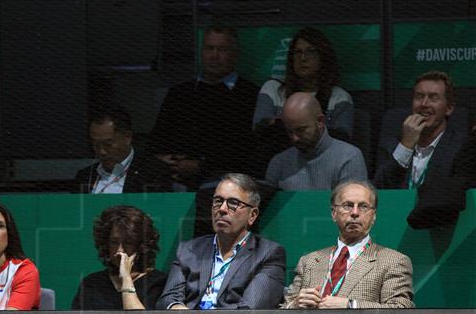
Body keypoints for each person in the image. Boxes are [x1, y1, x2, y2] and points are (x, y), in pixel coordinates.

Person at [147, 26, 261, 189]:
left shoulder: (250, 95)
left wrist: (201, 165)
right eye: (209, 48)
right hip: (176, 184)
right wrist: (167, 161)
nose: (214, 56)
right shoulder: (179, 93)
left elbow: (248, 149)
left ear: (235, 54)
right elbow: (156, 142)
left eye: (222, 49)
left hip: (230, 186)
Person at [156, 173, 286, 310]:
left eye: (233, 203)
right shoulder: (189, 249)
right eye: (218, 201)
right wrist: (176, 307)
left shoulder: (268, 253)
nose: (222, 209)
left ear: (252, 215)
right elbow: (167, 299)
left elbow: (250, 310)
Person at [282, 180, 414, 309]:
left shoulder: (393, 262)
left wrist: (350, 305)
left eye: (363, 206)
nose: (355, 213)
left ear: (373, 216)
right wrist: (294, 305)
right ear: (334, 213)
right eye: (348, 206)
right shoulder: (309, 262)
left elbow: (401, 309)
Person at [253, 26, 354, 160]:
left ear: (323, 56)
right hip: (275, 162)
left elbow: (341, 140)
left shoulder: (339, 97)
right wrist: (311, 130)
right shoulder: (273, 89)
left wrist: (279, 125)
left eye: (310, 51)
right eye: (297, 52)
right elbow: (260, 130)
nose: (303, 58)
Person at [374, 71, 467, 191]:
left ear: (448, 108)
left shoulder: (461, 148)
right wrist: (405, 147)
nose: (424, 104)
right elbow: (380, 189)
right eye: (419, 96)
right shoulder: (390, 145)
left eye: (433, 98)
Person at [265, 92, 367, 190]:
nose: (294, 138)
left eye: (301, 130)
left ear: (320, 121)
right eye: (289, 131)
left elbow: (351, 206)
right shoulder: (279, 162)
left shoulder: (348, 158)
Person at [71, 205, 167, 310]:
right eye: (114, 242)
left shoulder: (159, 283)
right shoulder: (91, 284)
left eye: (128, 243)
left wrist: (126, 278)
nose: (119, 250)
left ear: (141, 245)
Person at [74, 107, 171, 193]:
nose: (102, 151)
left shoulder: (153, 173)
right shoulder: (84, 177)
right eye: (96, 145)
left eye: (108, 144)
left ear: (127, 137)